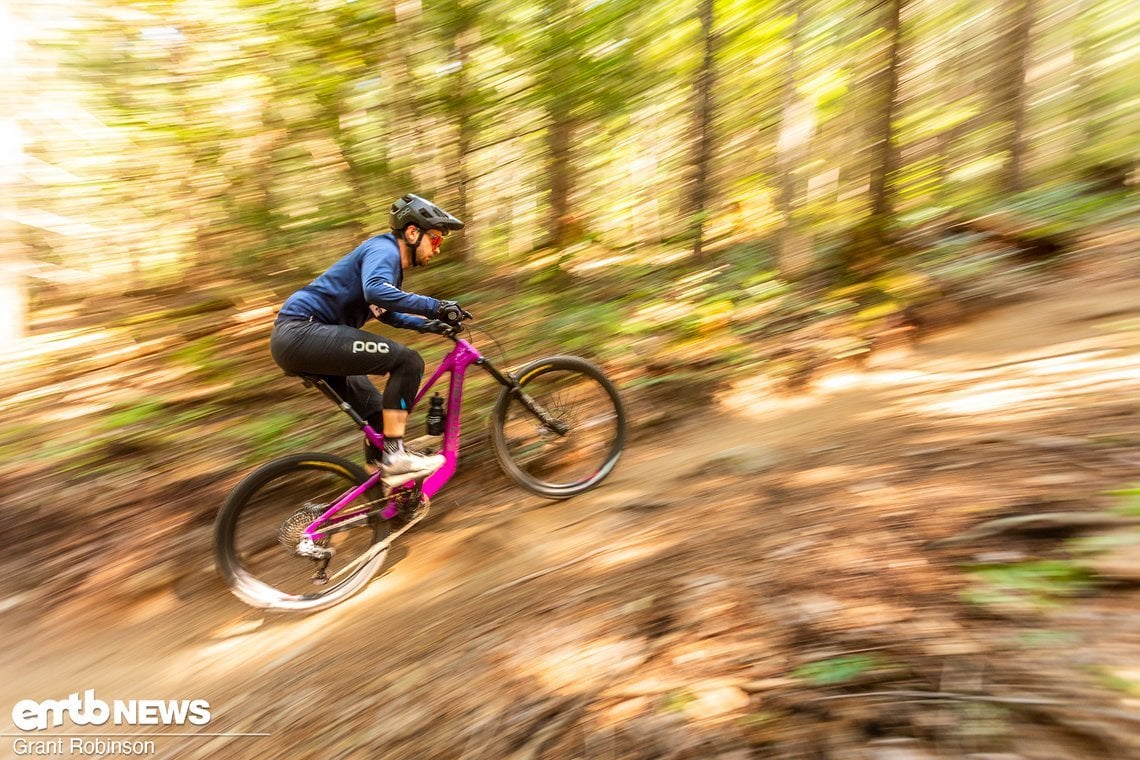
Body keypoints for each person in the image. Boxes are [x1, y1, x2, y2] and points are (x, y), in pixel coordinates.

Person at [270, 194, 471, 487]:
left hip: (306, 338)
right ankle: (395, 457)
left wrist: (433, 325)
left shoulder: (388, 264)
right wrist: (435, 305)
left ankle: (379, 493)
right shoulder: (383, 249)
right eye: (436, 240)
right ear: (413, 232)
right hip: (303, 331)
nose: (437, 250)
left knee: (379, 416)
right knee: (408, 361)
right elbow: (376, 292)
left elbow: (387, 313)